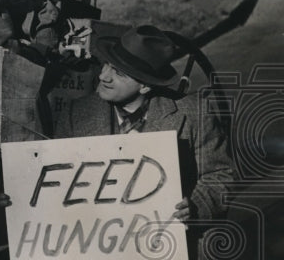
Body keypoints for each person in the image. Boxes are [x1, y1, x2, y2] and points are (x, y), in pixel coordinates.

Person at [53, 25, 234, 227]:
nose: (103, 76)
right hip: (98, 242)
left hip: (170, 245)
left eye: (119, 73)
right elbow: (54, 180)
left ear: (145, 85)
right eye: (106, 64)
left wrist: (196, 206)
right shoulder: (75, 115)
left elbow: (219, 176)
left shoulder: (193, 114)